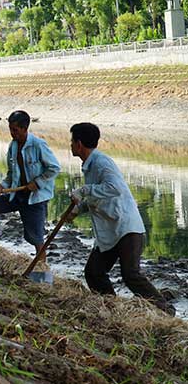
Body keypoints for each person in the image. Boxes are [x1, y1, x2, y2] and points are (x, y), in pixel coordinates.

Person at [68, 122, 175, 316]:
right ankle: (112, 310)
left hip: (126, 229)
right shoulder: (89, 165)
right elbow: (99, 197)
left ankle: (166, 312)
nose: (70, 144)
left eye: (72, 140)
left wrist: (84, 190)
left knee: (131, 274)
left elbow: (114, 188)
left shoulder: (101, 162)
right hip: (111, 231)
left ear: (79, 144)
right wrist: (78, 209)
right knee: (94, 272)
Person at [0, 110, 60, 257]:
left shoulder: (38, 145)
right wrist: (1, 186)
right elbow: (11, 174)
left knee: (36, 238)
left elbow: (54, 168)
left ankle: (41, 266)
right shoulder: (13, 146)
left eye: (15, 130)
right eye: (10, 130)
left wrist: (37, 182)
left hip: (35, 198)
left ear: (24, 128)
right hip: (16, 194)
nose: (12, 133)